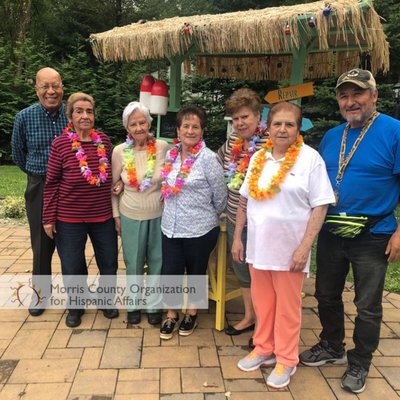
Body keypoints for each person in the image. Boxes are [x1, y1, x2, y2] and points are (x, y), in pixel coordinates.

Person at [299, 68, 400, 394]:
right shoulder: (332, 136)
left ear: (374, 96)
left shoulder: (394, 132)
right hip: (331, 231)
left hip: (374, 234)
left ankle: (359, 362)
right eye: (344, 95)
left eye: (358, 94)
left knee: (367, 304)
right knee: (325, 294)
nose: (350, 101)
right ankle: (331, 344)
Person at [235, 102, 335, 389]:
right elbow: (244, 199)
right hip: (258, 249)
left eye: (289, 124)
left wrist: (305, 247)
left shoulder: (310, 159)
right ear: (268, 126)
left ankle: (286, 359)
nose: (282, 129)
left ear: (298, 128)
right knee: (264, 304)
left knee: (288, 309)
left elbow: (320, 206)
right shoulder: (258, 158)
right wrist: (239, 236)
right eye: (277, 123)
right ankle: (264, 347)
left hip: (290, 252)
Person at [42, 92, 119, 328]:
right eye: (79, 111)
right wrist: (48, 218)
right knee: (73, 264)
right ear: (70, 116)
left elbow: (116, 172)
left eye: (89, 111)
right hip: (69, 218)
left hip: (102, 215)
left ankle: (107, 300)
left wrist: (122, 181)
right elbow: (52, 182)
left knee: (109, 261)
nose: (85, 116)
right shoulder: (61, 144)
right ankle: (76, 304)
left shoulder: (104, 141)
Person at [159, 105, 227, 339]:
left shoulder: (208, 159)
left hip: (200, 228)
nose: (190, 130)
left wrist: (207, 214)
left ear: (202, 130)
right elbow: (166, 184)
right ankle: (171, 313)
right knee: (170, 271)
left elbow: (221, 197)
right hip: (170, 227)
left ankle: (192, 312)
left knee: (196, 271)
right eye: (185, 126)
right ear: (178, 131)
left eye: (195, 126)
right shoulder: (171, 155)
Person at [11, 67, 67, 316]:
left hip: (69, 186)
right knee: (41, 244)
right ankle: (41, 295)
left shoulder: (73, 114)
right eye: (45, 86)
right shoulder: (24, 117)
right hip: (40, 185)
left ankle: (75, 298)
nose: (51, 91)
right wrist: (39, 175)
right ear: (36, 88)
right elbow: (18, 155)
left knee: (70, 242)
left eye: (55, 85)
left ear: (62, 87)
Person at [217, 88, 268, 340]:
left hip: (265, 224)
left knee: (265, 274)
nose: (240, 123)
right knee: (243, 273)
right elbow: (216, 174)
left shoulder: (272, 143)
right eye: (235, 119)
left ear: (258, 116)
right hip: (238, 220)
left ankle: (265, 324)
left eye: (245, 117)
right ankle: (249, 317)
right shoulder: (228, 146)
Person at [112, 101, 169, 325]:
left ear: (149, 123)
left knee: (157, 260)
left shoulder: (163, 147)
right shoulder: (119, 151)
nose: (138, 128)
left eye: (142, 122)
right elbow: (113, 186)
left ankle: (154, 305)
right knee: (133, 261)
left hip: (158, 214)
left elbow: (173, 175)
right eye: (133, 124)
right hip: (130, 214)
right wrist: (116, 215)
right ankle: (134, 303)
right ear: (127, 128)